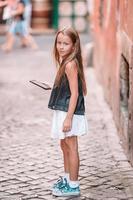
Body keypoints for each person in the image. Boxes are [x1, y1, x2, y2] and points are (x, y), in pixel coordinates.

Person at [48, 27, 88, 197]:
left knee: (71, 147)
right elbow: (69, 89)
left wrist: (68, 119)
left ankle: (73, 185)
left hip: (69, 112)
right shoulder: (65, 61)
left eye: (66, 44)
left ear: (74, 46)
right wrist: (56, 88)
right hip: (64, 109)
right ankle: (66, 179)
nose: (61, 47)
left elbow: (75, 93)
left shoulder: (70, 64)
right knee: (64, 145)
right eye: (59, 43)